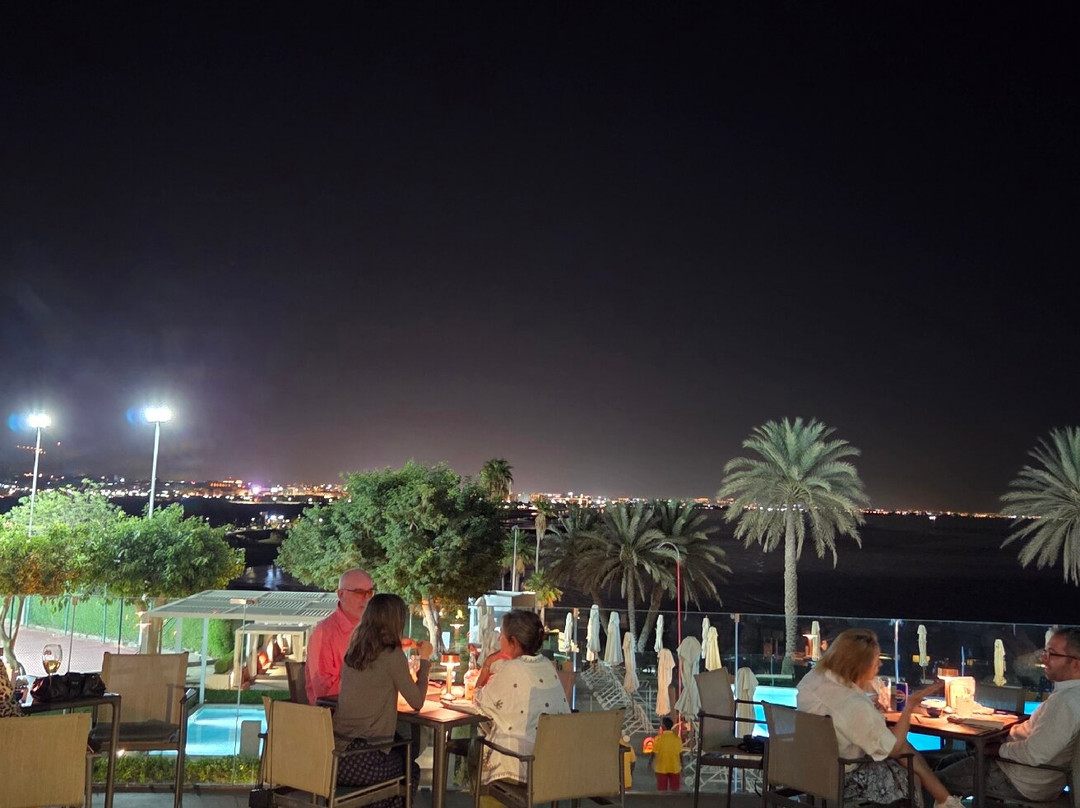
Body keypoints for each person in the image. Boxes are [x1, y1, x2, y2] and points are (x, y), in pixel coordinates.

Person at [797, 628, 962, 808]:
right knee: (908, 766)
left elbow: (841, 711)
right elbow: (894, 748)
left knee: (900, 746)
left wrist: (871, 707)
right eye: (876, 660)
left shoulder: (813, 679)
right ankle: (946, 800)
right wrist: (909, 707)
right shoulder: (853, 703)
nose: (880, 664)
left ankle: (945, 799)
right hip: (843, 778)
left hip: (809, 769)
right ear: (860, 665)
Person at [938, 627, 1080, 802]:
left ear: (1076, 663)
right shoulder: (1068, 695)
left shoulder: (1065, 702)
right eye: (1045, 652)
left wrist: (997, 749)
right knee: (946, 763)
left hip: (1020, 778)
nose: (1044, 659)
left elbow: (1034, 753)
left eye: (1052, 653)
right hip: (1030, 774)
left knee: (933, 782)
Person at [333, 593, 433, 803]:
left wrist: (399, 649)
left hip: (335, 758)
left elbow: (374, 674)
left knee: (402, 743)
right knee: (411, 768)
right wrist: (424, 660)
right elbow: (417, 702)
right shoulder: (392, 656)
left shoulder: (354, 650)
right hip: (364, 761)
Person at [474, 610, 570, 785]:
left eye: (502, 634)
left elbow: (479, 699)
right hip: (554, 763)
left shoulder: (512, 669)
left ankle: (482, 795)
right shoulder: (546, 665)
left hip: (521, 764)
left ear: (514, 641)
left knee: (474, 746)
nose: (499, 639)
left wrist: (487, 665)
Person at [306, 568, 376, 704]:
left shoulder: (373, 628)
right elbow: (324, 691)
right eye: (359, 593)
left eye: (370, 592)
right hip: (336, 712)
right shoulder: (324, 632)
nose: (367, 598)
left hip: (370, 706)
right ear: (341, 594)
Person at [652, 716, 683, 791]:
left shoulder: (658, 739)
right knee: (675, 789)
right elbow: (680, 754)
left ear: (663, 726)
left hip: (661, 767)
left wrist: (650, 763)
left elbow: (654, 753)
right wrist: (682, 765)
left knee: (662, 790)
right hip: (675, 766)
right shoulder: (677, 739)